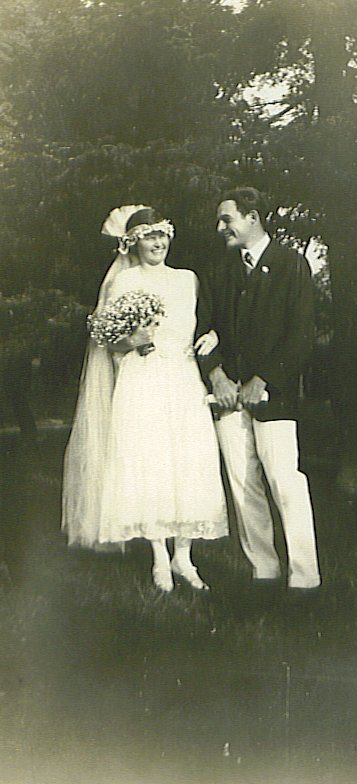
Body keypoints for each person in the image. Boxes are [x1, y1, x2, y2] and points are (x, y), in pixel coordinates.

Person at [62, 206, 228, 592]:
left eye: (162, 235)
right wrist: (131, 340)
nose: (158, 243)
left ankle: (184, 556)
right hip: (143, 378)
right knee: (150, 462)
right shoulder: (124, 281)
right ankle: (159, 558)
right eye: (149, 237)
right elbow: (107, 340)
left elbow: (208, 321)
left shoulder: (188, 279)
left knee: (190, 461)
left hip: (184, 377)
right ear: (133, 243)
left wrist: (214, 335)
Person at [197, 186, 321, 590]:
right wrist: (217, 376)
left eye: (227, 219)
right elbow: (202, 329)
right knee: (244, 485)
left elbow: (301, 334)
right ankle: (264, 572)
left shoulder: (290, 264)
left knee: (285, 482)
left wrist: (264, 378)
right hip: (227, 398)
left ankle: (304, 578)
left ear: (253, 217)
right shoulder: (218, 272)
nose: (220, 228)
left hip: (274, 396)